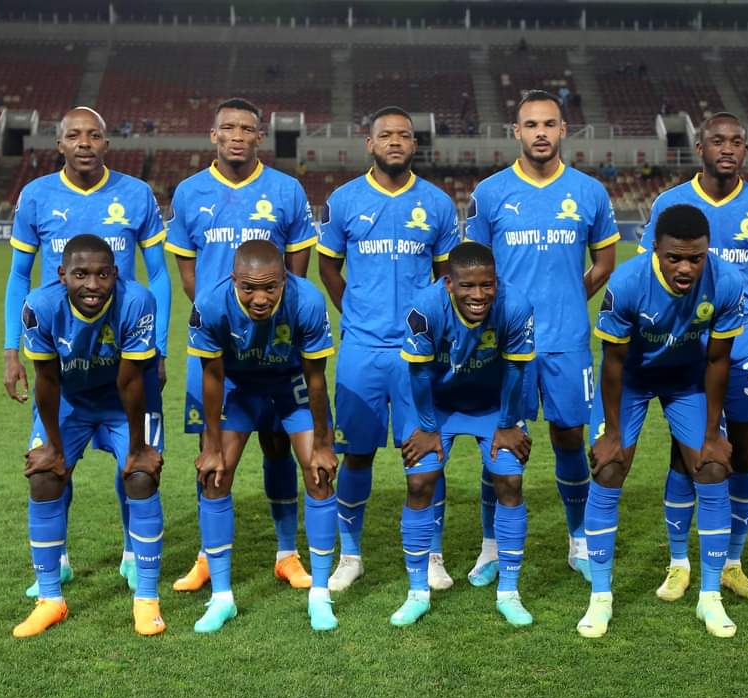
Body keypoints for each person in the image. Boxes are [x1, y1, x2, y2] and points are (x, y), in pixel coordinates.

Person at [3, 106, 170, 598]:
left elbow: (157, 274)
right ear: (59, 144)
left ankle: (131, 553)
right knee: (53, 458)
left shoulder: (135, 193)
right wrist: (13, 347)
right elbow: (19, 276)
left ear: (106, 144)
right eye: (74, 135)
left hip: (125, 346)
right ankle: (58, 560)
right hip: (62, 351)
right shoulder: (36, 196)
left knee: (136, 464)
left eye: (93, 135)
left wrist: (155, 345)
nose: (84, 143)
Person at [165, 97, 318, 593]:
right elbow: (189, 274)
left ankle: (287, 553)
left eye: (247, 128)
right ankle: (208, 556)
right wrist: (224, 320)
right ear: (213, 135)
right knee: (212, 453)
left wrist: (273, 323)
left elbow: (297, 271)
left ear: (259, 136)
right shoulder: (189, 193)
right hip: (217, 350)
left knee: (278, 447)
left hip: (276, 350)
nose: (236, 135)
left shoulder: (286, 190)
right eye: (227, 127)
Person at [466, 89, 618, 586]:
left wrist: (570, 299)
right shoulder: (490, 193)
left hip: (567, 341)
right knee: (500, 441)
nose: (540, 133)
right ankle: (491, 546)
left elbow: (604, 263)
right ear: (516, 132)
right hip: (505, 345)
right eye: (530, 125)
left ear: (562, 130)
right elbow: (475, 269)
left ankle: (578, 539)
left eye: (549, 124)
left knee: (569, 436)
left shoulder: (590, 192)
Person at [636, 113, 748, 603]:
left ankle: (732, 563)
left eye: (737, 141)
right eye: (717, 140)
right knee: (687, 455)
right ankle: (679, 562)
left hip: (741, 349)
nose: (727, 148)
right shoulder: (670, 203)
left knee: (741, 455)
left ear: (747, 150)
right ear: (699, 146)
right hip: (685, 351)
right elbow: (647, 275)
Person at [577, 204, 744, 639]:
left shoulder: (726, 281)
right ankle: (600, 599)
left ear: (708, 251)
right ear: (656, 249)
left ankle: (710, 597)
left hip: (687, 379)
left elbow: (718, 359)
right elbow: (612, 363)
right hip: (630, 380)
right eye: (675, 258)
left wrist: (711, 434)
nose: (685, 267)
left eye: (696, 257)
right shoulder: (628, 283)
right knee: (610, 468)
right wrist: (612, 433)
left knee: (711, 467)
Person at [317, 106, 459, 592]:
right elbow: (329, 268)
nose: (395, 141)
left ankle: (433, 553)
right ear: (370, 144)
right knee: (356, 454)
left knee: (426, 456)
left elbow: (448, 279)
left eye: (404, 135)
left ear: (414, 145)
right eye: (385, 135)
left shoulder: (438, 204)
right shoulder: (344, 200)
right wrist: (354, 311)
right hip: (362, 350)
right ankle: (350, 554)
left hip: (418, 354)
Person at [13, 235, 164, 638]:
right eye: (80, 274)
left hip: (126, 399)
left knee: (141, 476)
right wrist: (55, 450)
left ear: (116, 274)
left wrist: (136, 450)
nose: (92, 285)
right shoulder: (40, 307)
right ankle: (50, 600)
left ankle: (147, 600)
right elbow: (46, 379)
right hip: (69, 400)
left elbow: (131, 379)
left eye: (102, 274)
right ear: (62, 275)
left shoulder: (137, 301)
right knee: (45, 478)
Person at [186, 240, 338, 632]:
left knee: (319, 475)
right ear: (234, 279)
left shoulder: (308, 301)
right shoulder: (210, 303)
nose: (259, 298)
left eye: (270, 287)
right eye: (249, 287)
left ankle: (319, 595)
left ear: (285, 279)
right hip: (240, 387)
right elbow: (213, 375)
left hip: (290, 386)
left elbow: (316, 377)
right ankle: (222, 598)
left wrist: (323, 442)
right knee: (215, 477)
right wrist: (211, 445)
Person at [393, 242, 536, 627]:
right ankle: (417, 593)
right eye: (467, 286)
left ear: (496, 281)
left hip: (492, 405)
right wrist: (427, 430)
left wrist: (507, 425)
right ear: (448, 283)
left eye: (486, 285)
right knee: (420, 481)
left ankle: (509, 592)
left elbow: (515, 371)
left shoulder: (515, 306)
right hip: (435, 405)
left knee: (509, 478)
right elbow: (419, 374)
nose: (478, 295)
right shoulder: (425, 308)